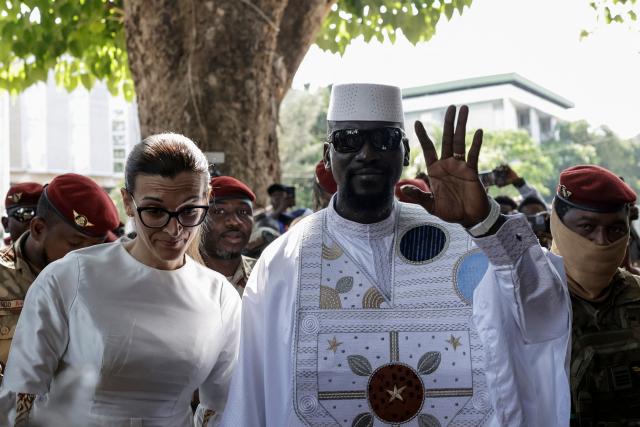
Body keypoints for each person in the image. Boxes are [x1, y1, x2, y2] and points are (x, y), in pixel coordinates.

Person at [221, 84, 571, 426]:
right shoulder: (285, 260)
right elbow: (252, 392)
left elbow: (545, 314)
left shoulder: (470, 243)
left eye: (385, 139)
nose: (367, 154)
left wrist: (486, 222)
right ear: (328, 155)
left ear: (404, 152)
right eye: (348, 140)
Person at [0, 134, 241, 427]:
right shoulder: (70, 277)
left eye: (189, 211)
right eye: (154, 211)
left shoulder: (220, 297)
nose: (174, 228)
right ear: (128, 202)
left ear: (206, 199)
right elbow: (22, 391)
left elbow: (222, 403)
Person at [0, 174, 119, 373]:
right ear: (38, 229)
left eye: (95, 248)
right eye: (75, 244)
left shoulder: (103, 281)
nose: (85, 258)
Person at [549, 164, 640, 425]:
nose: (602, 242)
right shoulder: (530, 301)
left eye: (615, 230)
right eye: (587, 227)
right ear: (558, 225)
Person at [201, 175, 257, 295]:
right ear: (198, 219)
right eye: (219, 211)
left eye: (243, 212)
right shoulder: (179, 276)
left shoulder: (264, 275)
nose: (234, 222)